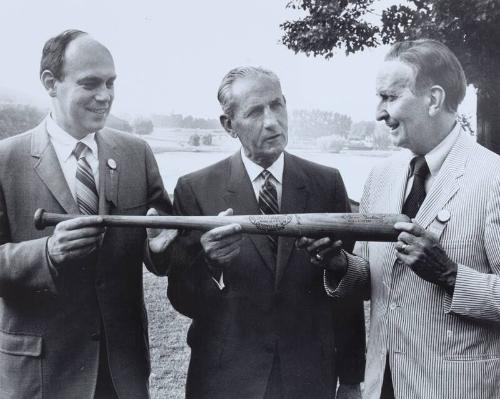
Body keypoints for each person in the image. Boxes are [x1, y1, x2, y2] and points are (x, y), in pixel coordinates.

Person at [314, 39, 500, 399]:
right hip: (382, 387)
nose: (379, 113)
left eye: (390, 97)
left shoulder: (493, 178)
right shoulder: (381, 176)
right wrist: (338, 264)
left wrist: (449, 274)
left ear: (433, 99)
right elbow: (372, 280)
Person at [167, 66, 366, 399]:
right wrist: (212, 264)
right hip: (224, 380)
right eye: (255, 112)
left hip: (308, 378)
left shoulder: (326, 183)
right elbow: (181, 298)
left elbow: (344, 292)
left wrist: (350, 379)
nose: (272, 121)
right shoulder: (195, 189)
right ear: (228, 125)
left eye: (277, 105)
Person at [0, 30, 177, 399]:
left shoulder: (136, 153)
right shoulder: (5, 161)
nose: (105, 96)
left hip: (122, 375)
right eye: (90, 83)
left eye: (111, 83)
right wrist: (46, 254)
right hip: (41, 375)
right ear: (51, 83)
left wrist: (160, 250)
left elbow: (162, 249)